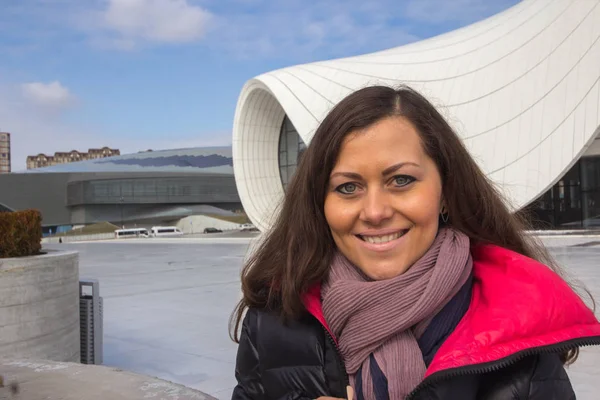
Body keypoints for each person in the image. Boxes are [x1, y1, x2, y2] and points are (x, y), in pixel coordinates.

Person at [229, 85, 600, 400]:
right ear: (320, 204)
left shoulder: (518, 322)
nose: (374, 211)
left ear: (444, 192)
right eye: (347, 187)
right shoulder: (274, 319)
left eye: (402, 180)